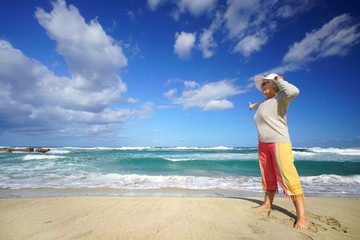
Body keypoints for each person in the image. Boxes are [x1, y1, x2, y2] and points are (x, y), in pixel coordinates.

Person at [249, 73, 308, 230]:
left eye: (264, 83)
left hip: (278, 142)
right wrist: (250, 106)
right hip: (263, 143)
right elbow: (256, 106)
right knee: (267, 175)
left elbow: (294, 91)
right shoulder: (263, 102)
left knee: (288, 175)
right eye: (261, 84)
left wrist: (279, 80)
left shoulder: (281, 98)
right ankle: (267, 204)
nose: (261, 86)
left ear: (273, 84)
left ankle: (302, 216)